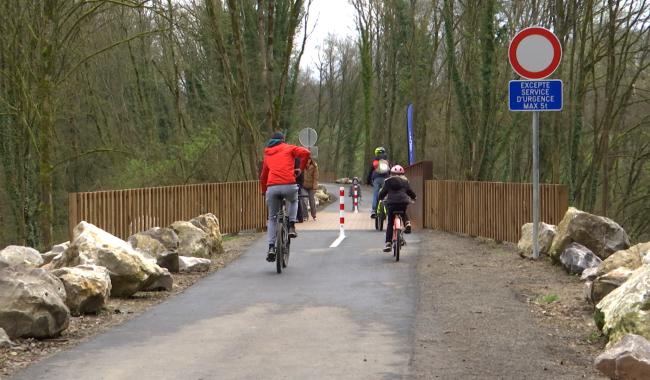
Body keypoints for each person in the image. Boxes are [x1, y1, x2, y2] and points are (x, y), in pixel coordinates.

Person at [260, 132, 311, 262]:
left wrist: (263, 190)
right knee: (294, 200)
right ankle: (292, 225)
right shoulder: (289, 148)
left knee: (272, 218)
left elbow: (263, 175)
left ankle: (271, 247)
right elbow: (306, 153)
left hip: (272, 187)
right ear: (283, 140)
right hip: (289, 184)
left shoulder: (267, 153)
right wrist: (301, 167)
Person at [378, 165, 415, 252]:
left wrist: (380, 198)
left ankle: (388, 243)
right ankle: (407, 223)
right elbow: (410, 192)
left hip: (391, 204)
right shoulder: (405, 182)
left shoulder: (388, 182)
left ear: (391, 174)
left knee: (390, 223)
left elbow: (382, 193)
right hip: (403, 202)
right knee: (403, 212)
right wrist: (414, 197)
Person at [366, 147, 390, 218]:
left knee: (375, 195)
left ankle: (373, 211)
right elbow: (390, 170)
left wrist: (368, 181)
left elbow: (370, 171)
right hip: (385, 179)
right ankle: (387, 210)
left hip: (376, 179)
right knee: (385, 194)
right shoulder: (386, 160)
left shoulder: (375, 160)